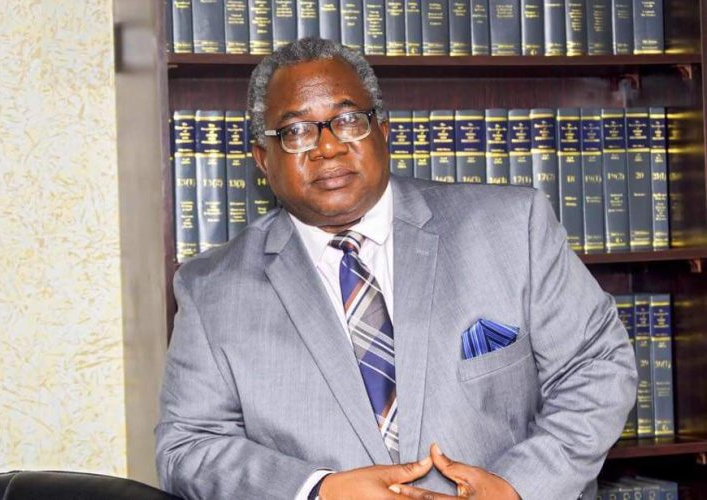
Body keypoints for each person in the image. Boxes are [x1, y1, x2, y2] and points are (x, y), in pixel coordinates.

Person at [155, 38, 637, 500]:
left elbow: (597, 366)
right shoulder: (210, 289)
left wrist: (518, 487)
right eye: (297, 131)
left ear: (382, 131)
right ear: (263, 158)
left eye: (348, 120)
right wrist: (320, 491)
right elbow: (188, 446)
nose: (328, 148)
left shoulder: (513, 227)